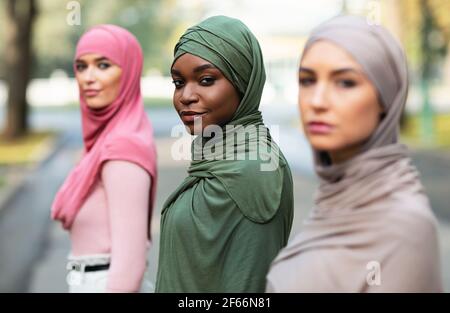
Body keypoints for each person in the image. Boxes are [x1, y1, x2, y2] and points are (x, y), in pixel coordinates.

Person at [266, 15, 443, 292]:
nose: (317, 101)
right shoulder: (335, 198)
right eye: (307, 80)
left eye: (345, 83)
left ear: (386, 97)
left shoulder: (405, 227)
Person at [155, 15, 294, 293]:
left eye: (206, 80)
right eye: (179, 83)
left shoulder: (256, 170)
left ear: (244, 83)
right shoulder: (218, 157)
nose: (186, 96)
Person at [51, 25, 157, 293]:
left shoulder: (122, 147)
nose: (88, 77)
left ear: (130, 71)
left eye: (103, 65)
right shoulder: (103, 143)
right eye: (81, 66)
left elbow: (130, 265)